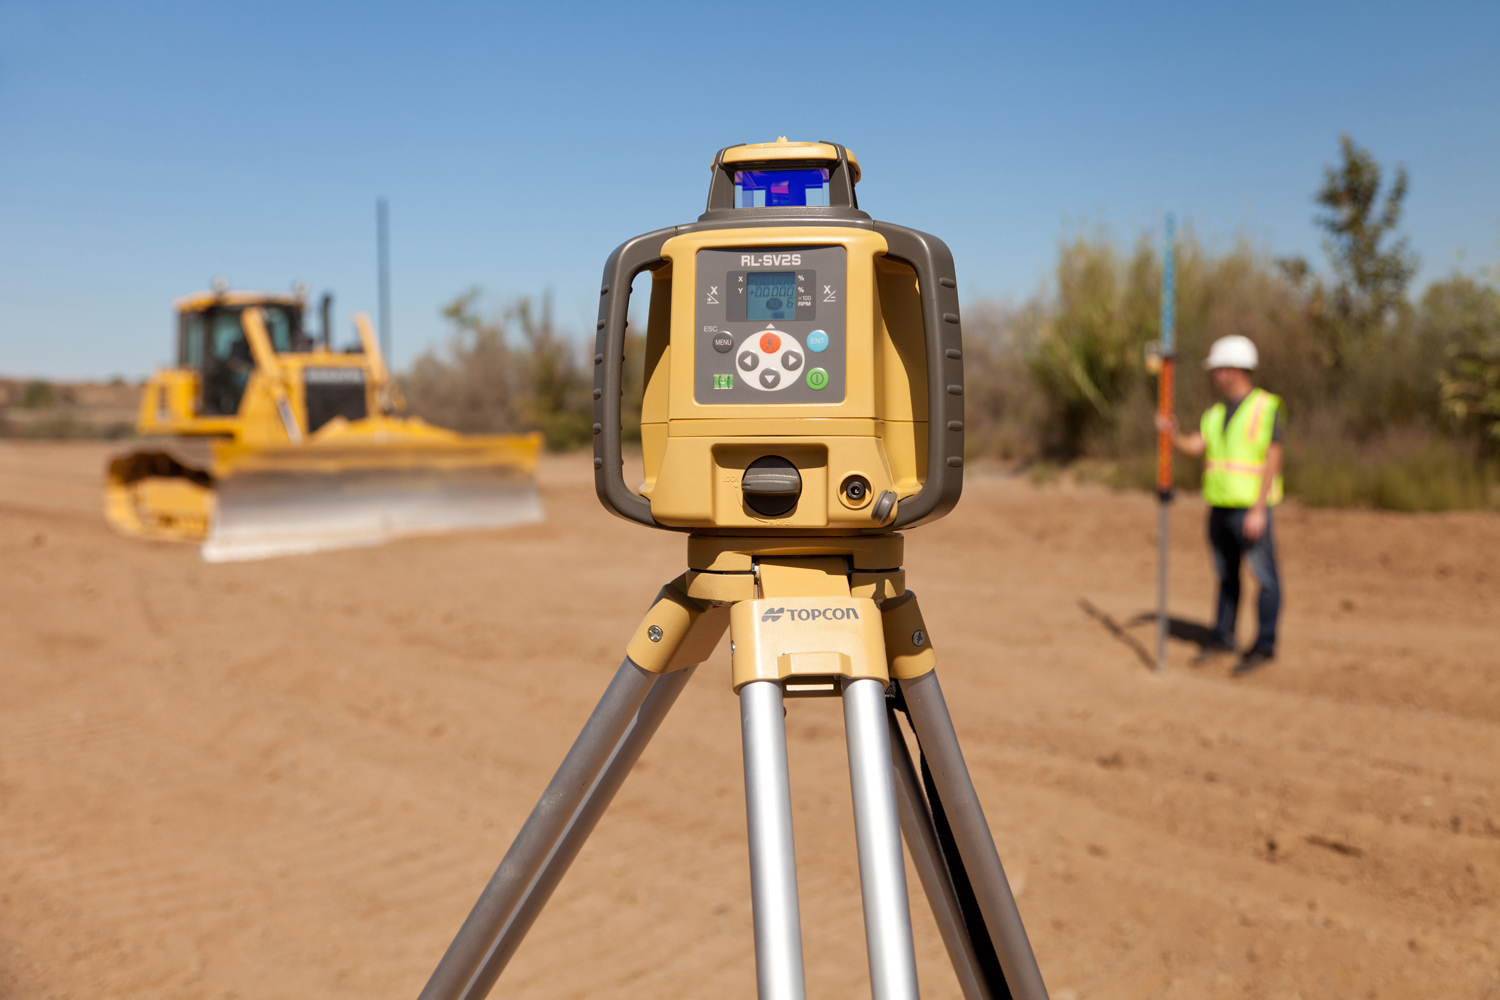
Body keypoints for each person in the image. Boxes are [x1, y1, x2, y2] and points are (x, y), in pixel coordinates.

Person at [1156, 335, 1284, 676]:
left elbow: (1274, 457)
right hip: (1219, 507)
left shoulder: (1265, 406)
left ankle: (1264, 645)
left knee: (1265, 579)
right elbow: (1196, 446)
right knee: (1226, 578)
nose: (1213, 376)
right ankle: (1223, 637)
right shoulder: (1214, 413)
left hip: (1249, 509)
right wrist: (1172, 434)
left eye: (1217, 369)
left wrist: (1259, 508)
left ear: (1233, 370)